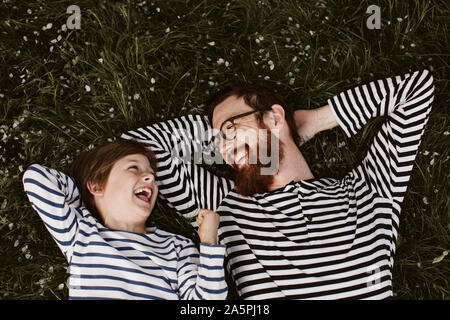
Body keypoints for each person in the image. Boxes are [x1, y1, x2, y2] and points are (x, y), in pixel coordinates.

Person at [121, 69, 434, 299]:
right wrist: (225, 133)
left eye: (230, 127)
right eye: (215, 142)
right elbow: (135, 147)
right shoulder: (225, 206)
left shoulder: (369, 190)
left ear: (274, 117)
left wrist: (316, 120)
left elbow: (416, 90)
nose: (223, 148)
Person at [22, 138, 228, 300]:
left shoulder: (177, 246)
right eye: (134, 168)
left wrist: (209, 241)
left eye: (152, 175)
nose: (150, 178)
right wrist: (84, 198)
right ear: (95, 186)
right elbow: (36, 178)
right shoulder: (81, 233)